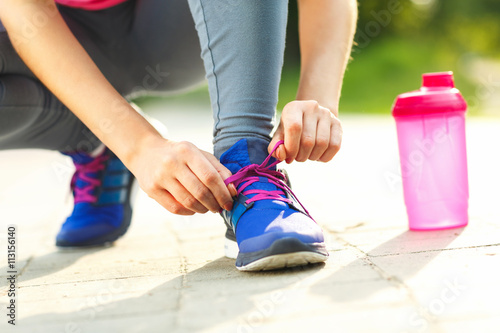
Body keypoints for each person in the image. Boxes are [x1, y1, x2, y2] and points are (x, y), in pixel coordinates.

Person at [0, 0, 357, 271]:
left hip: (175, 28)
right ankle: (98, 141)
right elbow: (24, 15)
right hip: (47, 37)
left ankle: (245, 161)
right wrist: (138, 145)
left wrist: (317, 99)